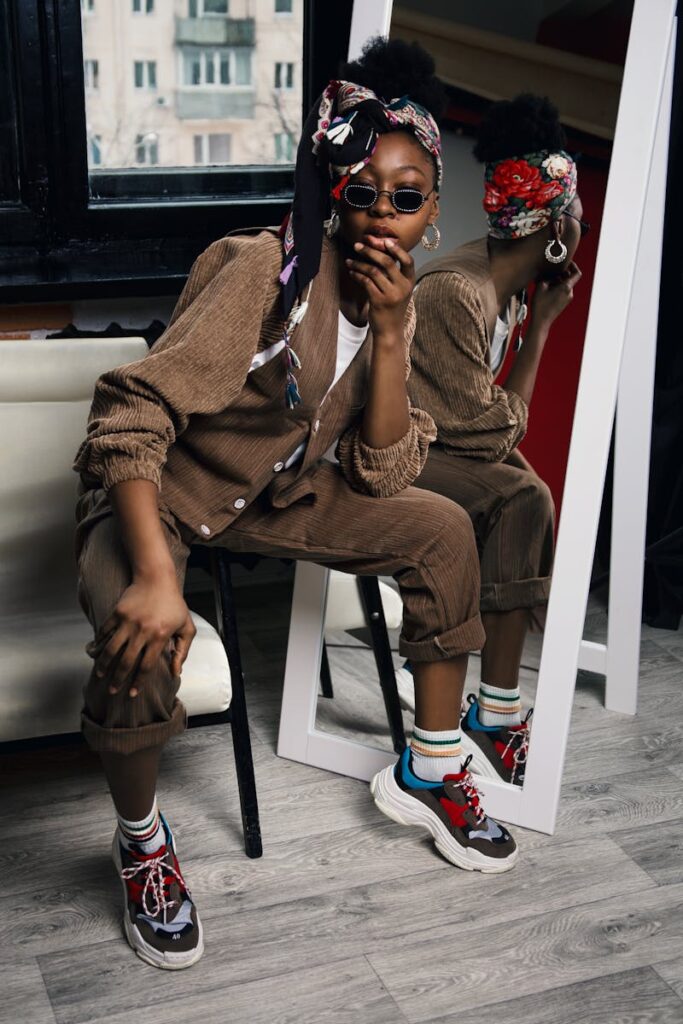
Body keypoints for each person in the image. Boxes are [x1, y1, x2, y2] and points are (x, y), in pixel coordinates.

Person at [73, 39, 518, 972]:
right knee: (137, 634)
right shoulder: (262, 269)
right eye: (363, 192)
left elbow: (382, 473)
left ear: (433, 212)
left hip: (271, 496)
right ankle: (141, 839)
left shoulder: (400, 303)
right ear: (332, 193)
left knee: (440, 528)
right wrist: (155, 577)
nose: (383, 215)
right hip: (160, 496)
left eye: (406, 197)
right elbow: (131, 412)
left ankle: (432, 768)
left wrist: (388, 334)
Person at [408, 94, 586, 786]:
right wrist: (540, 333)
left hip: (437, 442)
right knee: (522, 497)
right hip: (386, 453)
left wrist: (533, 319)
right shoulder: (458, 291)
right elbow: (487, 434)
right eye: (576, 213)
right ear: (553, 225)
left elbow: (484, 422)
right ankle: (496, 715)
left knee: (528, 488)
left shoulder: (504, 290)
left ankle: (496, 708)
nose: (583, 226)